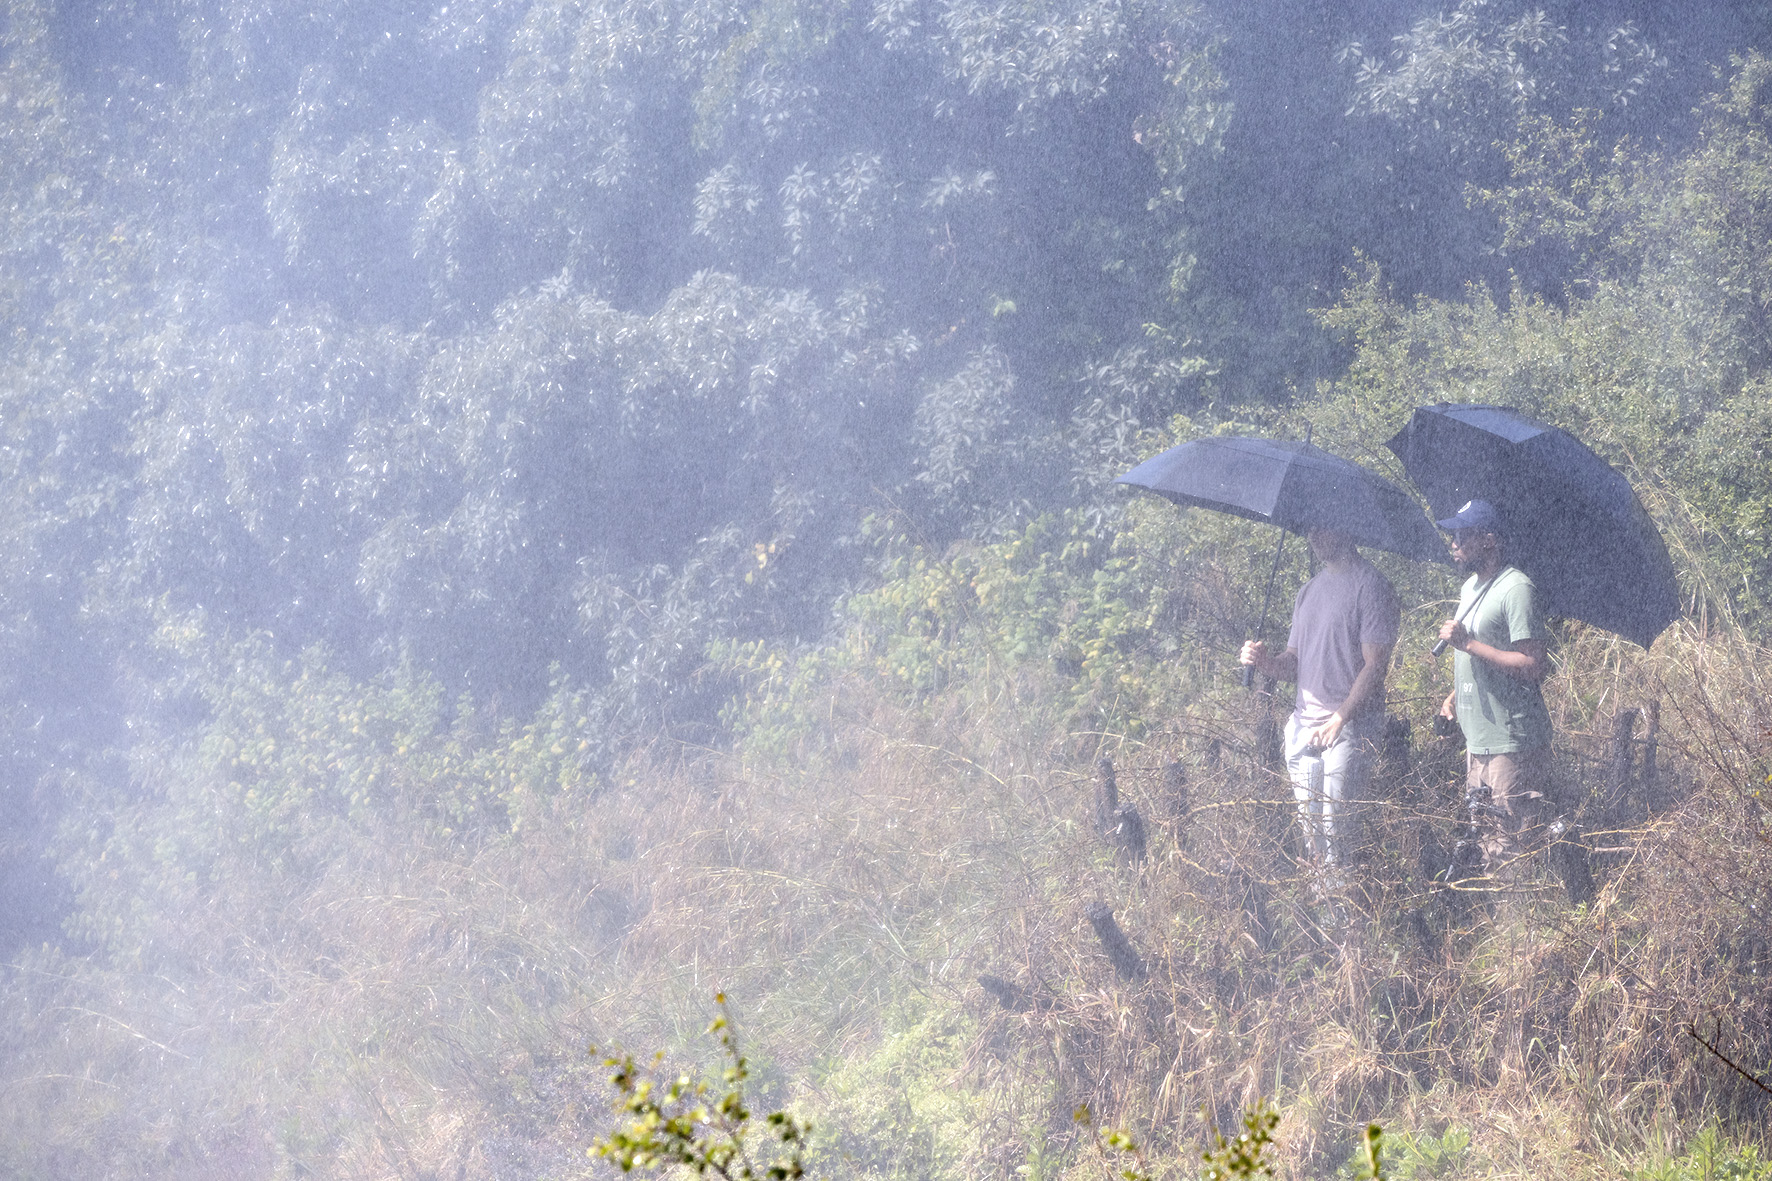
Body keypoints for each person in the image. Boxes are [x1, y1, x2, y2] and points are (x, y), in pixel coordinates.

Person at [1240, 524, 1400, 874]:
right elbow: (1294, 664)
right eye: (1310, 529)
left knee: (1338, 844)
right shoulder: (1308, 591)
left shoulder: (1371, 586)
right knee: (1313, 848)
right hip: (1302, 730)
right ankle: (1326, 925)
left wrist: (1341, 716)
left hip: (1349, 730)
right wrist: (1264, 662)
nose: (1313, 536)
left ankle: (1347, 927)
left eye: (1322, 527)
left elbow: (1376, 667)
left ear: (1344, 526)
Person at [1434, 499, 1554, 873]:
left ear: (1488, 540)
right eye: (1452, 535)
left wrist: (1468, 643)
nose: (1453, 544)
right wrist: (1454, 697)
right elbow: (1482, 656)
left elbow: (1533, 664)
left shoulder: (1517, 588)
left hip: (1511, 743)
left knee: (1511, 853)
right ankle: (1505, 928)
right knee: (1486, 847)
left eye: (1461, 536)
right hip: (1478, 742)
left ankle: (1524, 929)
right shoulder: (1471, 587)